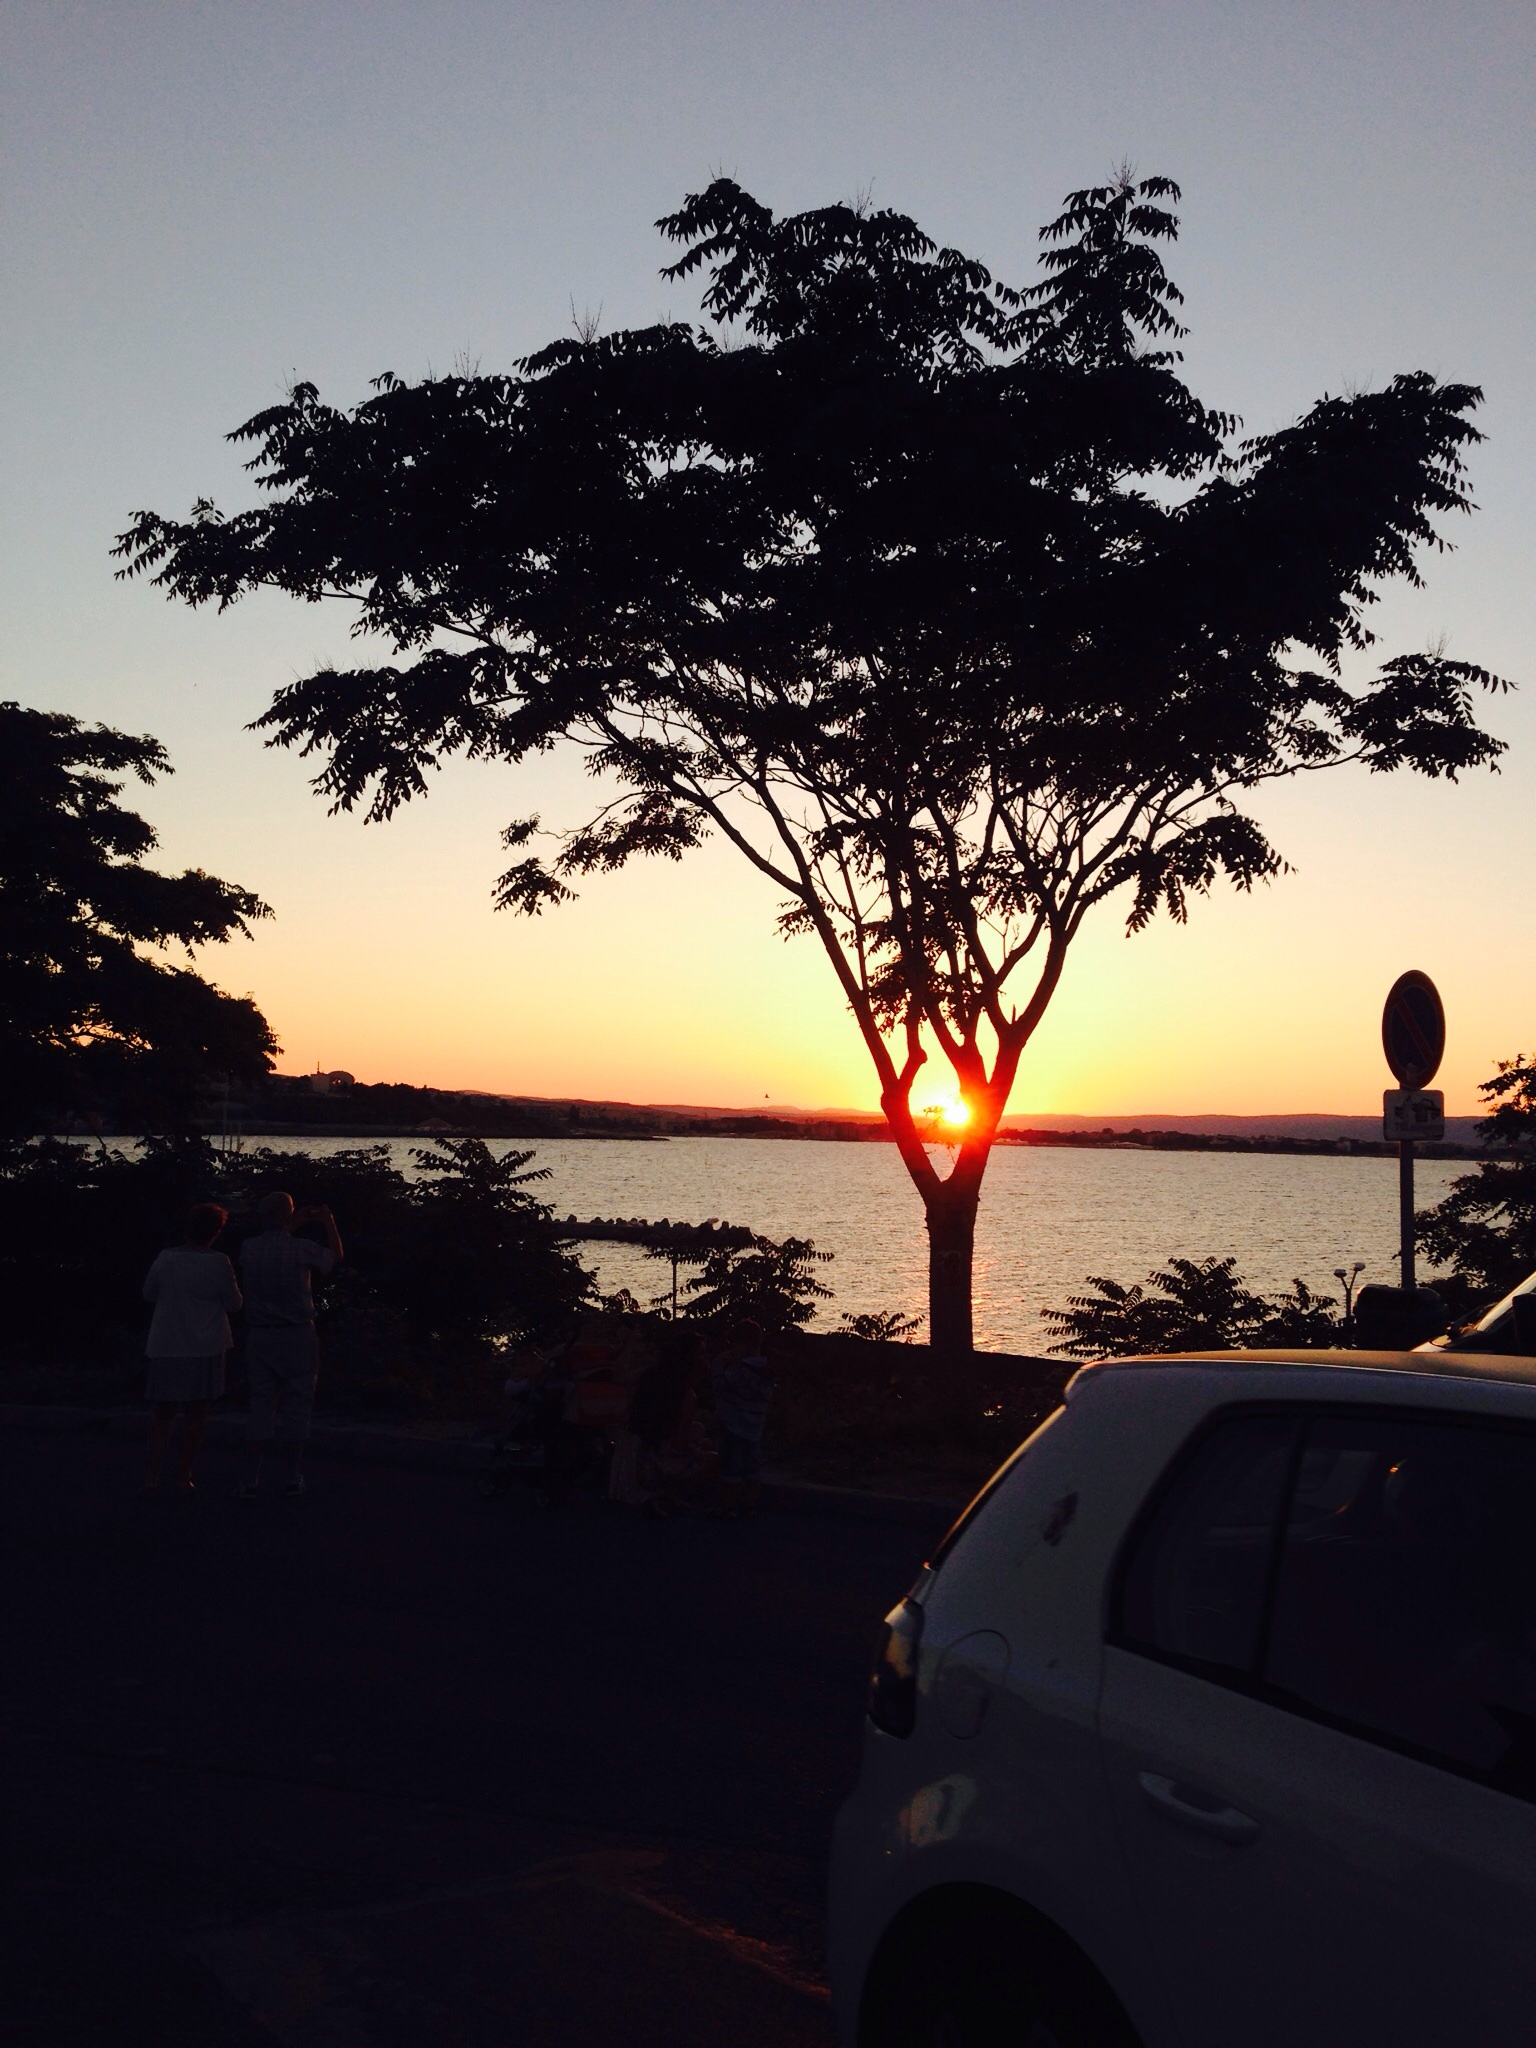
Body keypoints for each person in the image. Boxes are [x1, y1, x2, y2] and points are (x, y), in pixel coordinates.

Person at [236, 1190, 342, 1498]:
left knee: (261, 1404)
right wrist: (328, 1222)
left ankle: (250, 1479)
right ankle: (292, 1476)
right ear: (289, 1215)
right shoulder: (302, 1248)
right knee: (298, 1403)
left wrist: (288, 1223)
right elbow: (334, 1259)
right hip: (297, 1334)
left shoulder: (249, 1249)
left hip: (260, 1335)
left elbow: (275, 1240)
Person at [141, 1202, 241, 1494]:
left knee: (163, 1413)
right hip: (206, 1345)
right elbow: (235, 1304)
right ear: (216, 1232)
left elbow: (148, 1294)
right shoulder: (219, 1262)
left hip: (167, 1343)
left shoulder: (166, 1258)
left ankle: (151, 1478)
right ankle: (183, 1476)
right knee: (197, 1414)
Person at [709, 1318, 774, 1519]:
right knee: (752, 1469)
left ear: (744, 1345)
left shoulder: (739, 1370)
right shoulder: (767, 1370)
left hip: (734, 1426)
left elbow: (719, 1386)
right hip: (754, 1428)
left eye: (734, 1345)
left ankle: (727, 1507)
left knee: (730, 1470)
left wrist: (718, 1365)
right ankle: (749, 1506)